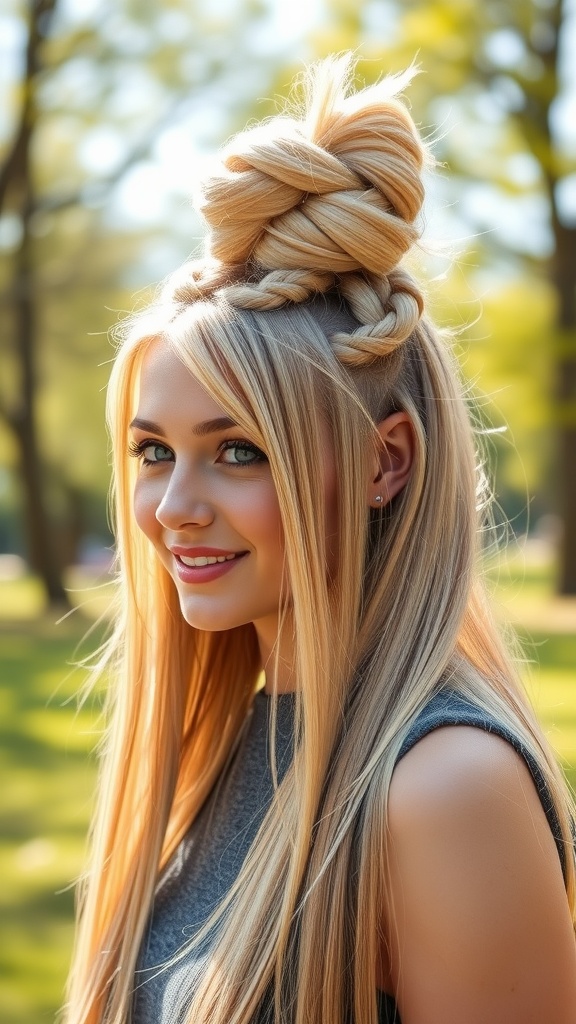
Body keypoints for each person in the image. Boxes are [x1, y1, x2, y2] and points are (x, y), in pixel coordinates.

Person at [64, 55, 576, 1024]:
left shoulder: (444, 790)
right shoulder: (233, 744)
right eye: (151, 450)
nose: (173, 505)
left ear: (386, 462)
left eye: (240, 450)